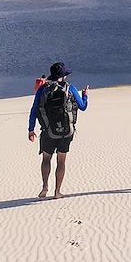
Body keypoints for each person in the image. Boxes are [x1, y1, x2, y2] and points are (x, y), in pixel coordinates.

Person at [28, 62, 88, 199]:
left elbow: (34, 110)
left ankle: (44, 187)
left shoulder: (43, 90)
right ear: (64, 76)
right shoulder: (70, 88)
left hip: (48, 131)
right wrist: (85, 95)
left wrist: (31, 130)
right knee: (61, 161)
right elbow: (83, 107)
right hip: (66, 132)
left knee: (46, 159)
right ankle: (57, 191)